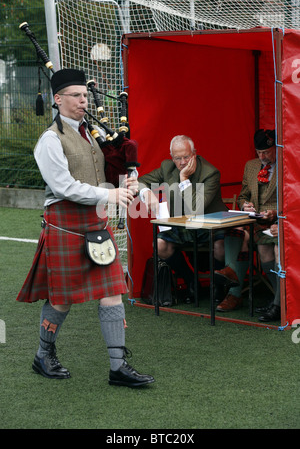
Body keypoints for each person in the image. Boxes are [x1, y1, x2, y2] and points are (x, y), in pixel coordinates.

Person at [16, 68, 155, 387]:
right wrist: (110, 193)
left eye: (84, 95)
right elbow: (64, 186)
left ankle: (118, 367)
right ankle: (43, 355)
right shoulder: (50, 140)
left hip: (96, 224)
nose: (82, 100)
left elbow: (107, 169)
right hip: (65, 225)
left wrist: (128, 176)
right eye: (75, 95)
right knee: (61, 299)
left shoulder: (93, 135)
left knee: (112, 291)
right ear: (57, 99)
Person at [138, 135, 227, 302]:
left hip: (209, 225)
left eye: (186, 156)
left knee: (221, 245)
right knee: (159, 245)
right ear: (172, 157)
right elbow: (139, 181)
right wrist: (147, 193)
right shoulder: (167, 167)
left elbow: (196, 208)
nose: (183, 162)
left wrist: (184, 179)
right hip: (182, 226)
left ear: (194, 153)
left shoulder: (210, 173)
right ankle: (192, 282)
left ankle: (219, 286)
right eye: (178, 158)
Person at [215, 129, 280, 321]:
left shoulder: (287, 165)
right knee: (234, 231)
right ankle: (233, 284)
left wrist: (275, 214)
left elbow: (293, 197)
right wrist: (245, 204)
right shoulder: (251, 166)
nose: (262, 156)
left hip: (279, 221)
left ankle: (278, 301)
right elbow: (243, 194)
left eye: (266, 152)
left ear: (276, 148)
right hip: (254, 221)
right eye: (258, 152)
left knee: (266, 248)